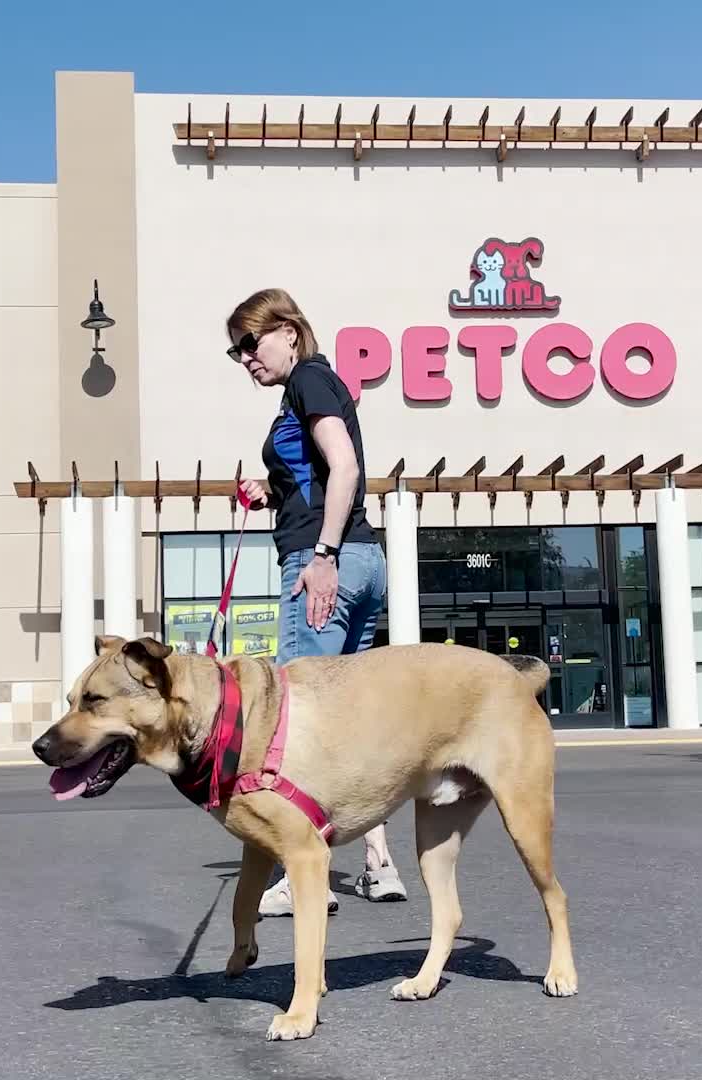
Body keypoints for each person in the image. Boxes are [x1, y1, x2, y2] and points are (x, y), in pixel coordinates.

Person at [226, 287, 407, 916]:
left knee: (297, 722)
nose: (245, 357)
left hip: (324, 563)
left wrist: (323, 557)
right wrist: (269, 488)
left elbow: (346, 466)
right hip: (361, 561)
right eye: (236, 350)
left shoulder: (309, 380)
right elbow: (316, 478)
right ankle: (379, 865)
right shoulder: (311, 389)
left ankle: (302, 876)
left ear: (289, 331)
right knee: (348, 723)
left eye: (251, 341)